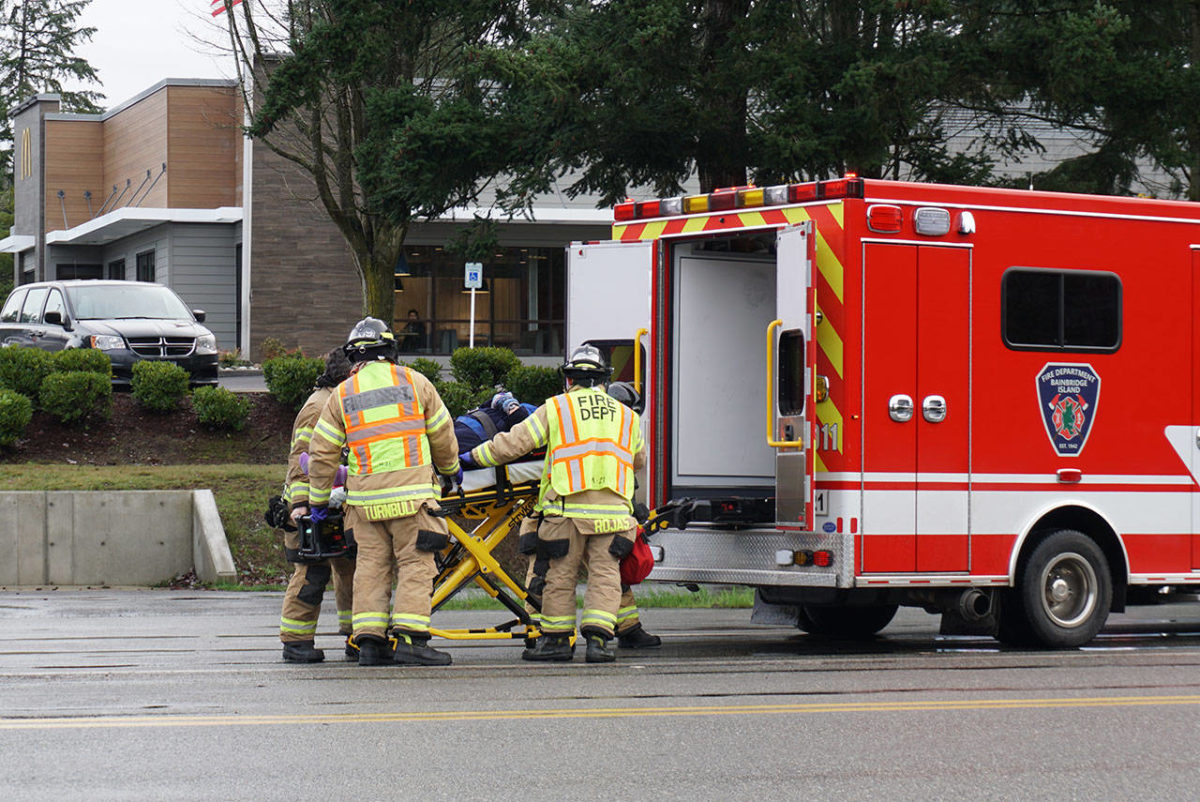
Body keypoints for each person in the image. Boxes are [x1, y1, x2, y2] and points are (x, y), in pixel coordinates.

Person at [461, 344, 645, 663]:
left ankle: (558, 642)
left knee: (560, 575)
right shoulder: (627, 416)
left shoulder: (558, 407)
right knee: (605, 576)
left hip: (567, 510)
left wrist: (470, 458)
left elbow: (514, 444)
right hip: (614, 514)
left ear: (570, 379)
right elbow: (638, 460)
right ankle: (600, 642)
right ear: (604, 379)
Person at [303, 317, 462, 667]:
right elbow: (442, 434)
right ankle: (411, 640)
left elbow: (322, 452)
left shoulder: (342, 393)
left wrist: (316, 502)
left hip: (364, 505)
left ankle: (371, 643)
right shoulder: (415, 382)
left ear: (354, 356)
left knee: (370, 569)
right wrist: (451, 472)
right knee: (415, 565)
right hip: (412, 499)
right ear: (390, 350)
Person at [277, 348, 356, 663]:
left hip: (334, 502)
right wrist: (301, 504)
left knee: (351, 570)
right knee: (312, 574)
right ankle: (296, 641)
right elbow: (301, 460)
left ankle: (357, 636)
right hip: (311, 506)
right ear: (345, 378)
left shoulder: (336, 402)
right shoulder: (319, 407)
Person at [454, 390, 537, 453]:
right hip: (474, 429)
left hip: (473, 428)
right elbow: (518, 415)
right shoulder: (535, 414)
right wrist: (508, 403)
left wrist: (506, 401)